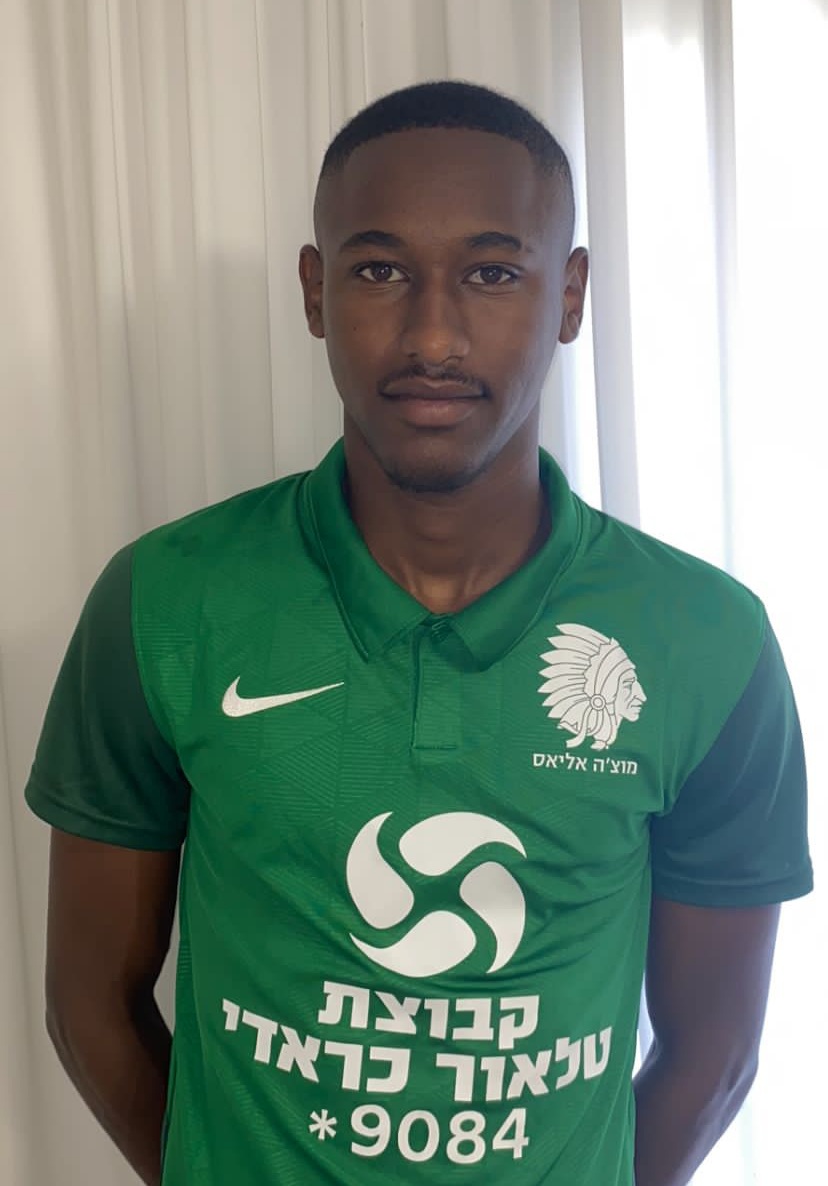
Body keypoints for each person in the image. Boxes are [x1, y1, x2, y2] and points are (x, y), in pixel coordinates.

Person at [26, 80, 812, 1186]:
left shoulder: (707, 643)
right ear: (315, 291)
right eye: (379, 271)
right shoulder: (165, 604)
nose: (433, 335)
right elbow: (88, 1007)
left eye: (492, 272)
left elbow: (715, 1057)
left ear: (571, 294)